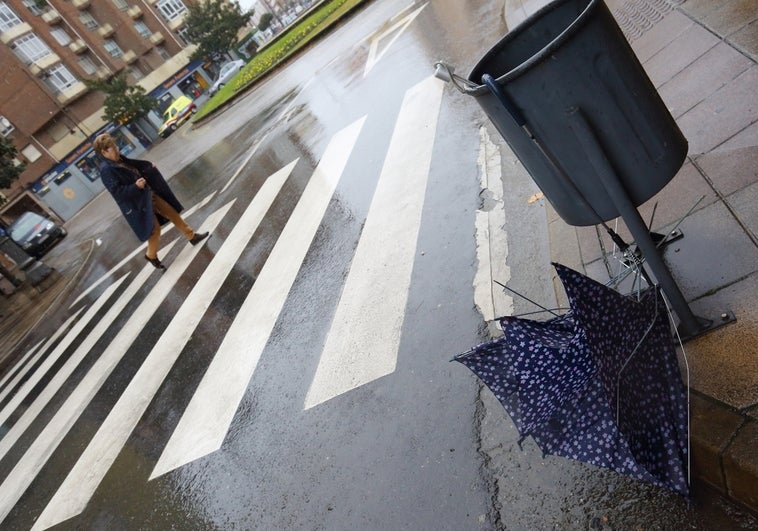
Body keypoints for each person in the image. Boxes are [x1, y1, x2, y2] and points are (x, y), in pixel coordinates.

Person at [93, 133, 208, 270]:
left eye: (116, 146)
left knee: (171, 212)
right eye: (113, 148)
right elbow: (118, 193)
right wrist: (135, 186)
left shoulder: (119, 160)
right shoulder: (107, 171)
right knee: (155, 230)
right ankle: (151, 255)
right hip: (138, 204)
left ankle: (191, 236)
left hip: (147, 194)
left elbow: (136, 168)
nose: (117, 149)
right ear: (104, 152)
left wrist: (148, 167)